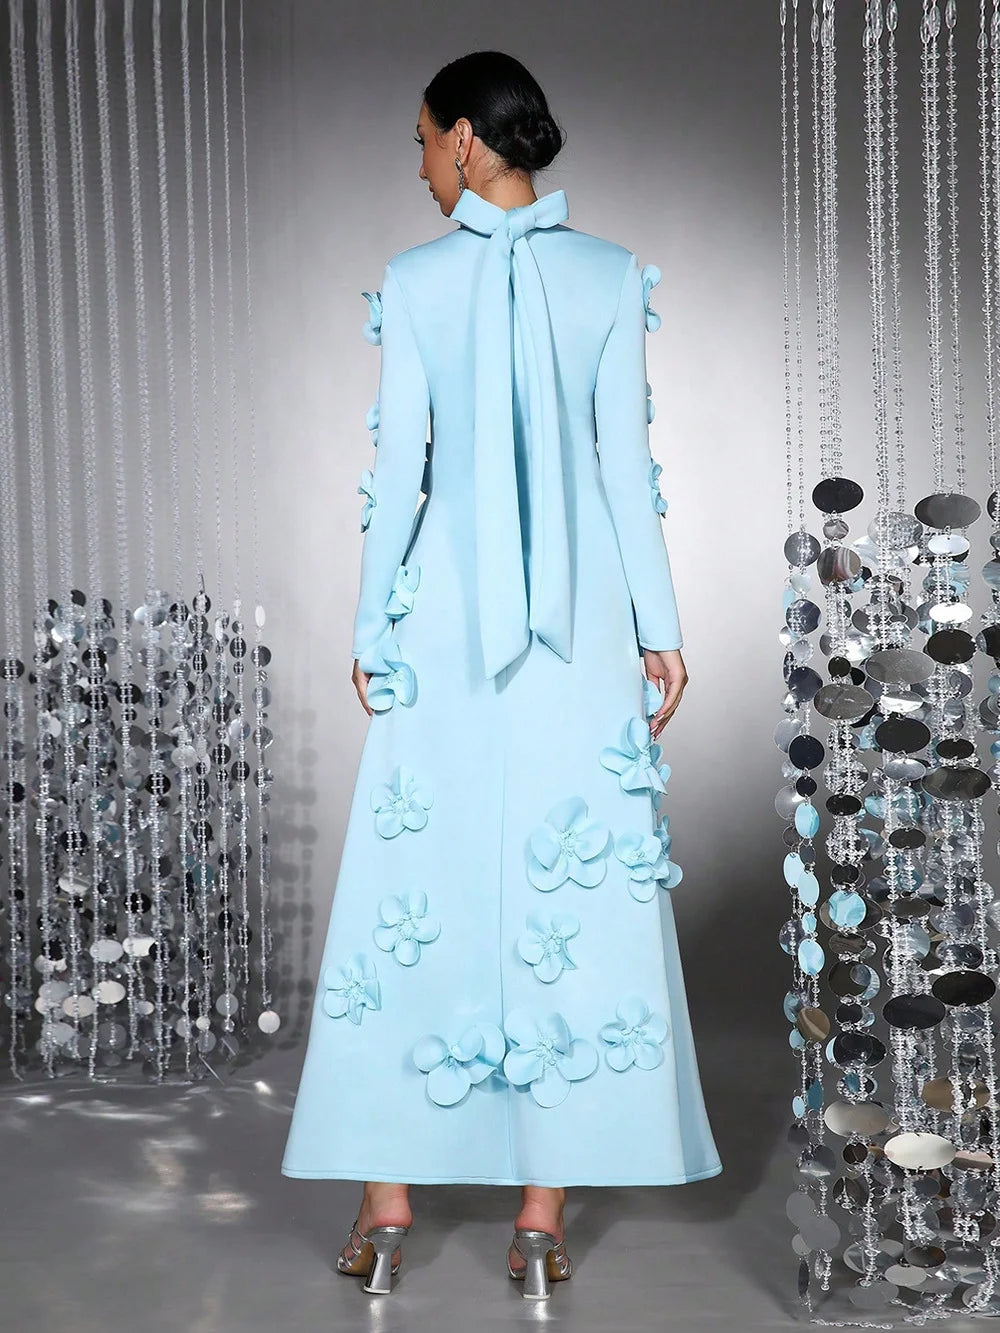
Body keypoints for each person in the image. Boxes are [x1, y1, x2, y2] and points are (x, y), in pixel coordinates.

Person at [280, 48, 723, 1300]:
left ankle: (390, 1206)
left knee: (421, 883)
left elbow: (398, 478)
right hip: (570, 627)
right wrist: (658, 628)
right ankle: (535, 1215)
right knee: (554, 893)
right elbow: (625, 474)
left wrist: (370, 629)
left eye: (424, 142)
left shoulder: (423, 279)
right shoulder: (605, 273)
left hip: (450, 621)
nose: (421, 167)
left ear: (467, 139)